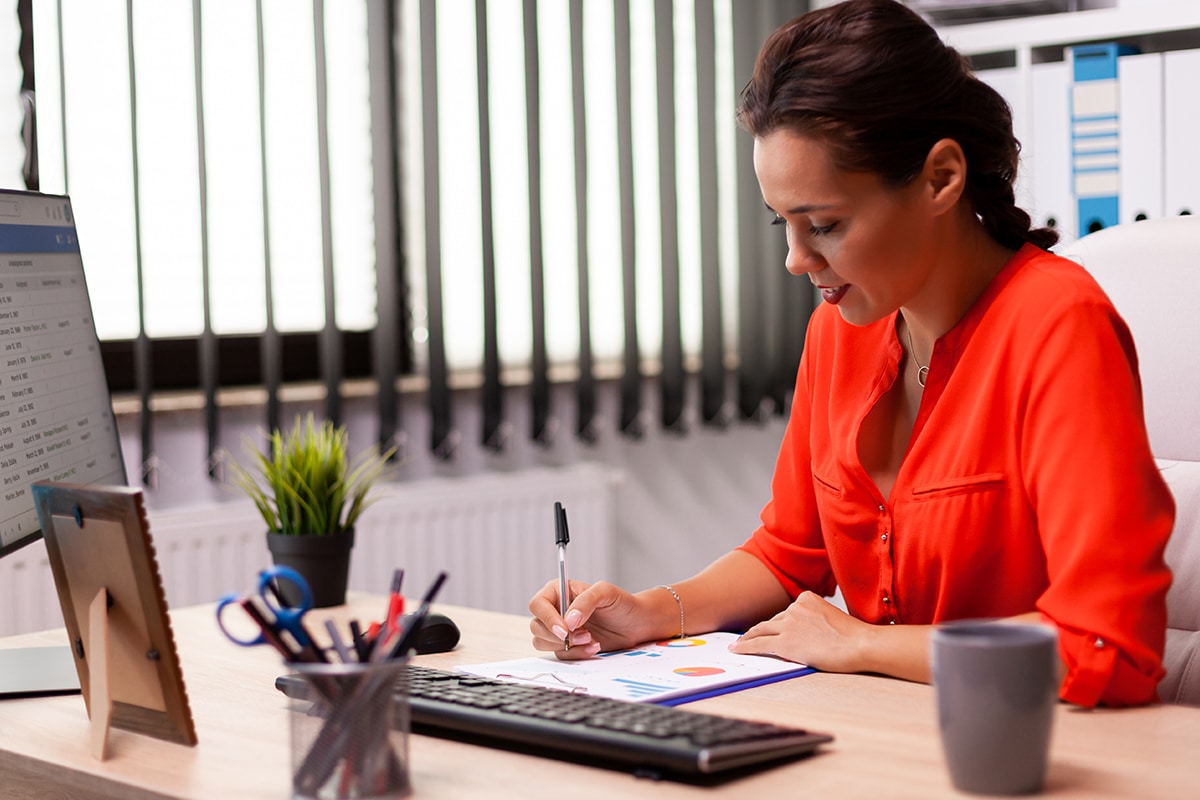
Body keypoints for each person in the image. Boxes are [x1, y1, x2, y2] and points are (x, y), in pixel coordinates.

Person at [528, 0, 1174, 708]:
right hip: (879, 732)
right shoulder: (839, 332)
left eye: (825, 224)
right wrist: (649, 614)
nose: (795, 260)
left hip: (1023, 745)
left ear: (940, 178)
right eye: (784, 222)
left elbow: (1105, 643)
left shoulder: (1059, 326)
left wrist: (864, 643)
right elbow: (787, 554)